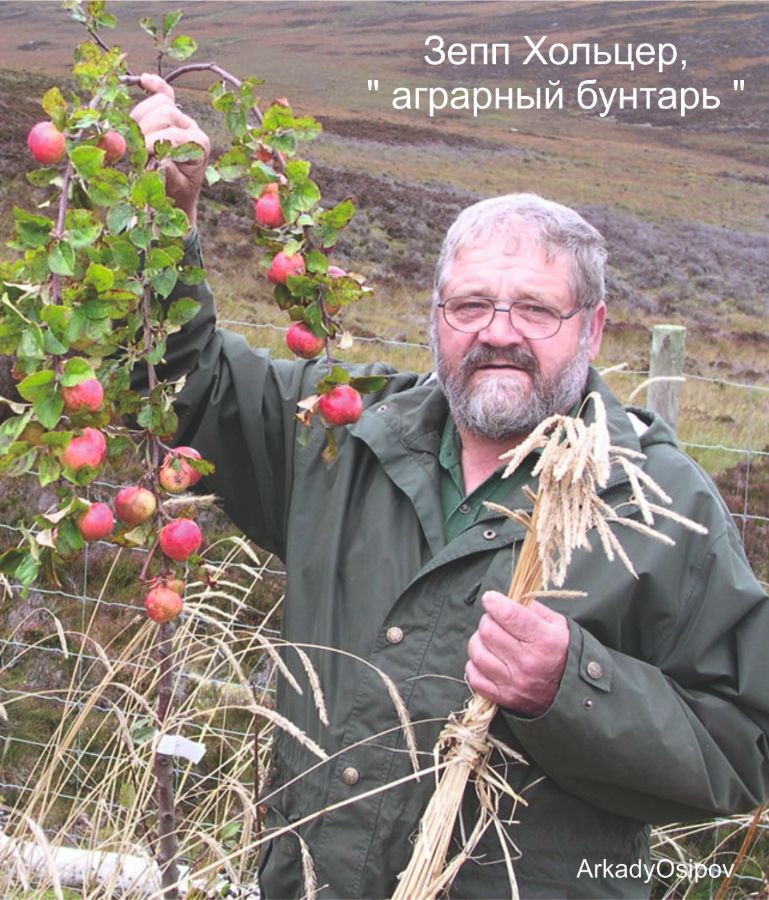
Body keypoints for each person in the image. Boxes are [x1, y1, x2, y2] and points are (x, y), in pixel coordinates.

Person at [131, 75, 769, 899]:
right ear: (435, 314)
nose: (497, 332)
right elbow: (193, 384)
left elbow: (743, 745)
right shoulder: (338, 431)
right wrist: (162, 219)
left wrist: (572, 687)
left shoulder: (660, 502)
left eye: (535, 309)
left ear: (593, 327)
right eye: (469, 304)